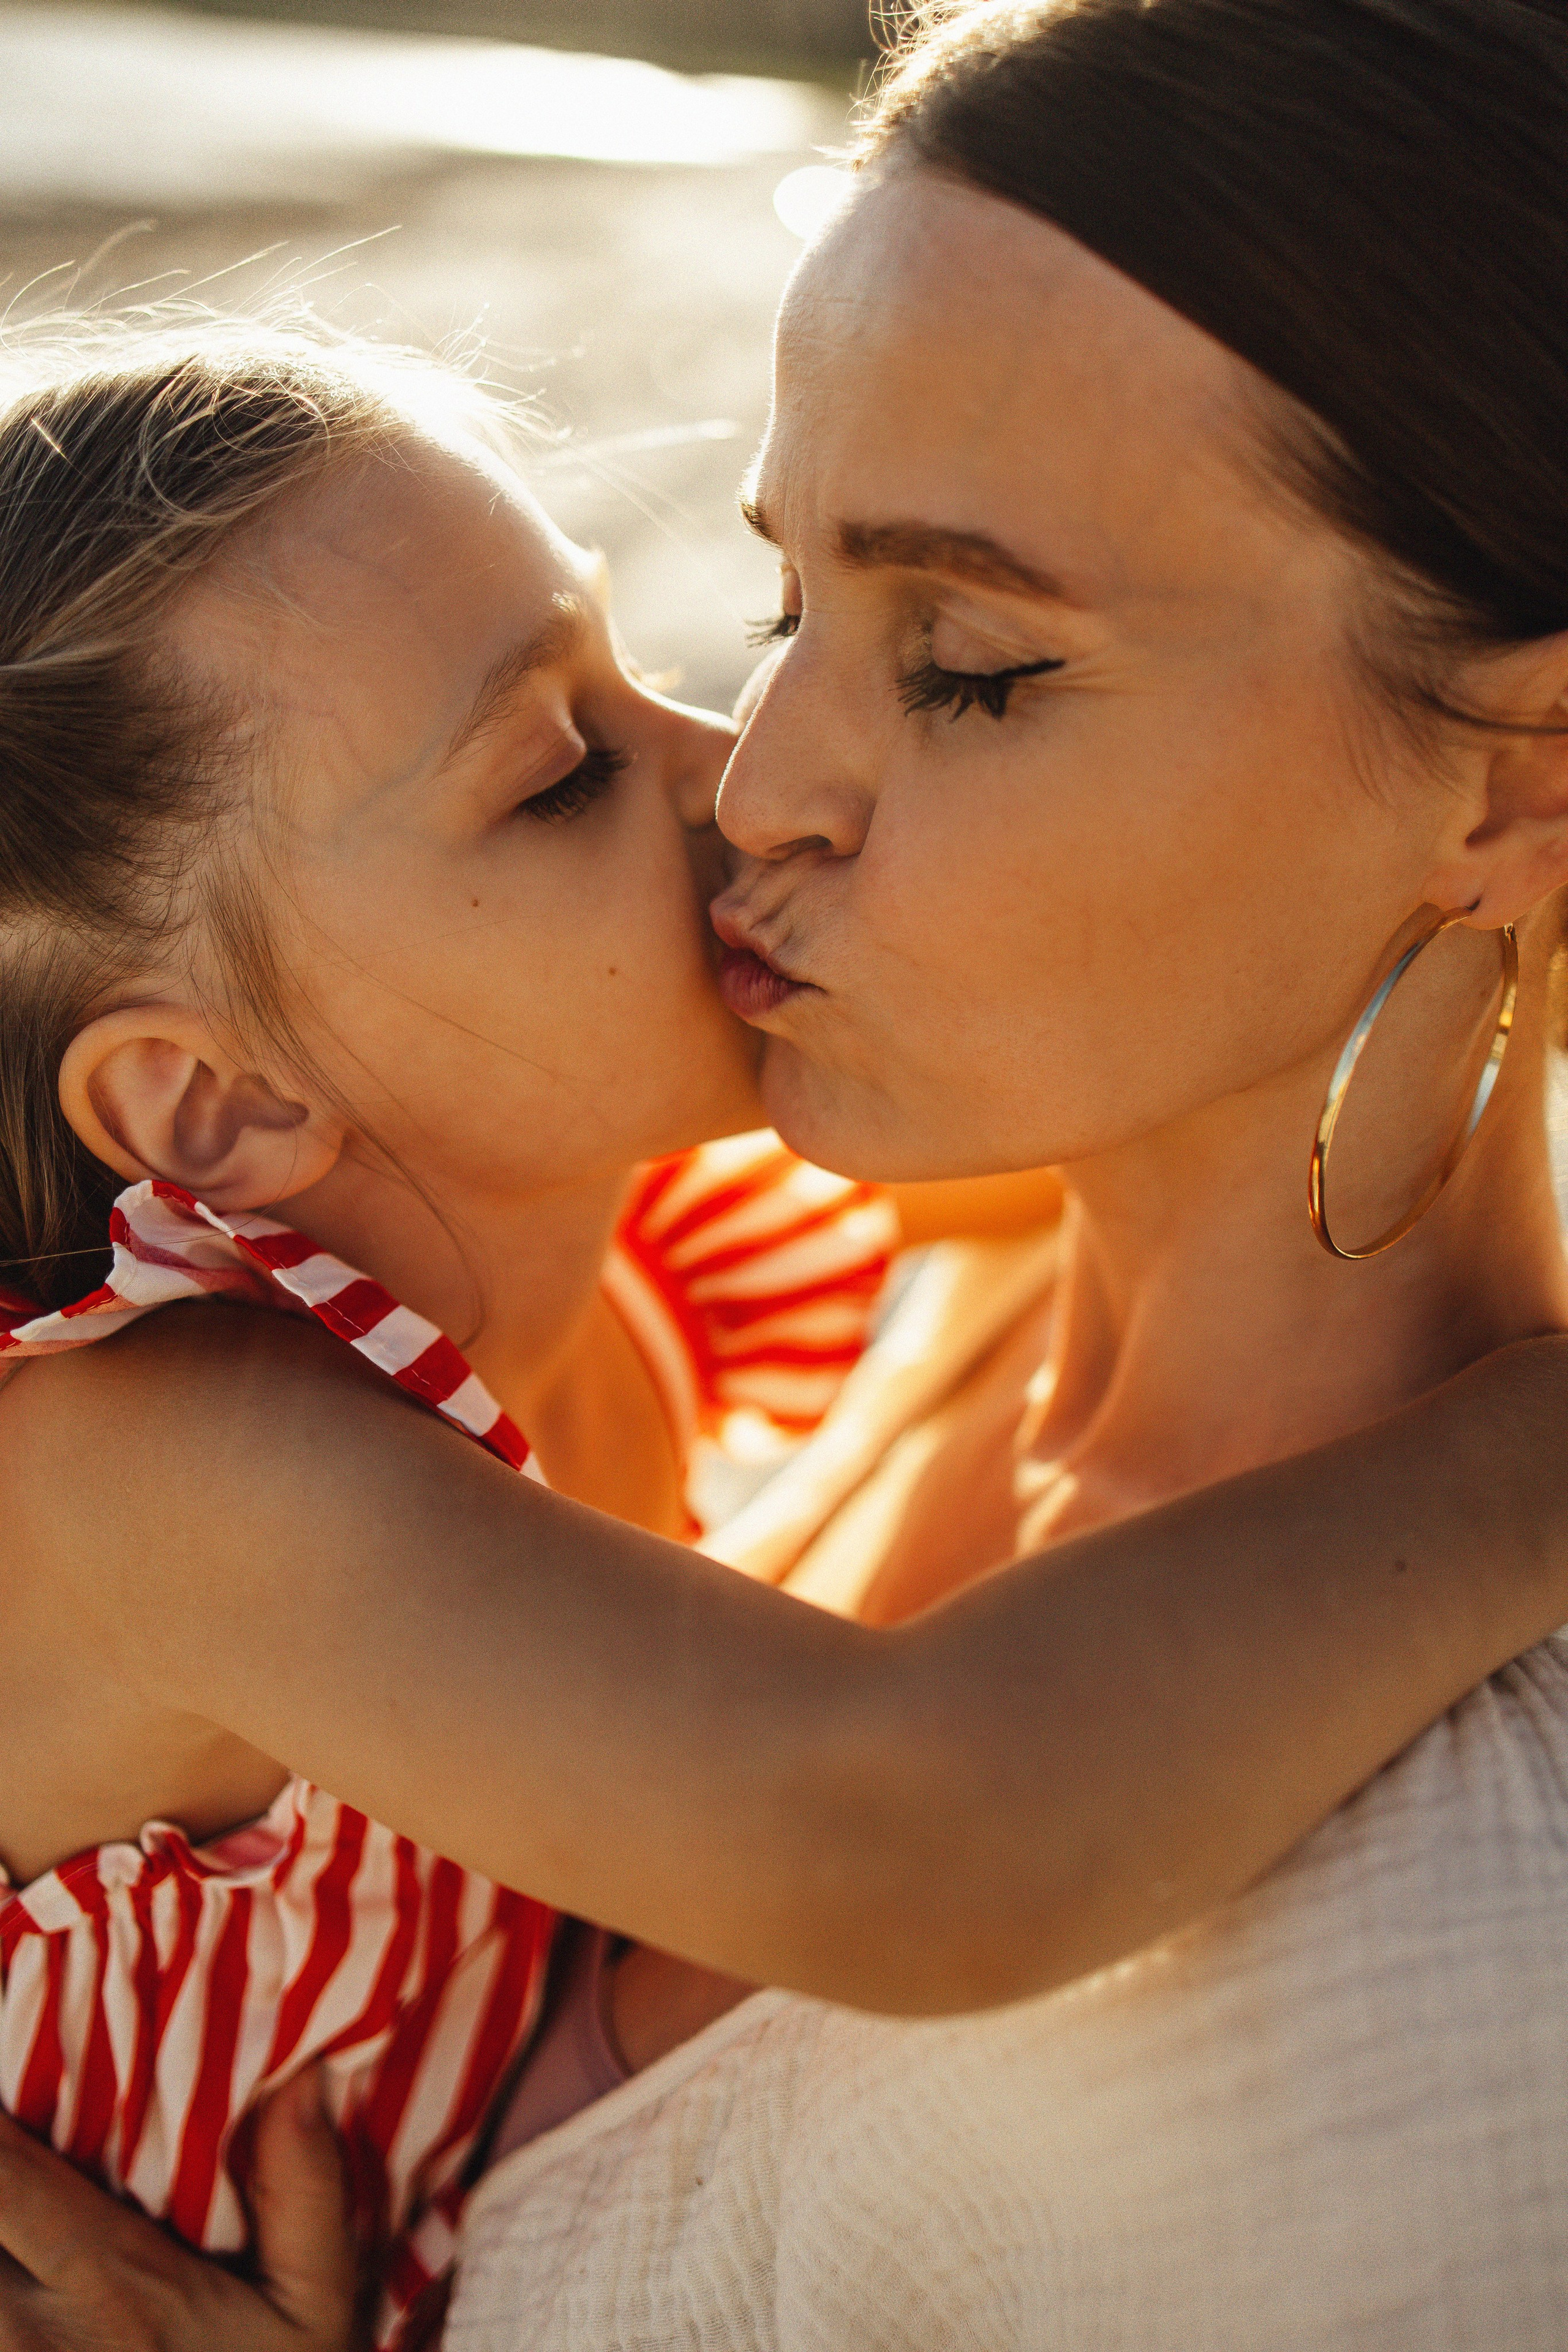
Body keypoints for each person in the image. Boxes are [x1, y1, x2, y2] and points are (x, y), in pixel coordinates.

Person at [2, 90, 1568, 2340]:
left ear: (1519, 776)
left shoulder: (1472, 1995)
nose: (744, 771)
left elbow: (922, 1835)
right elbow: (907, 1829)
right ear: (206, 1106)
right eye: (784, 599)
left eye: (972, 663)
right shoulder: (209, 1453)